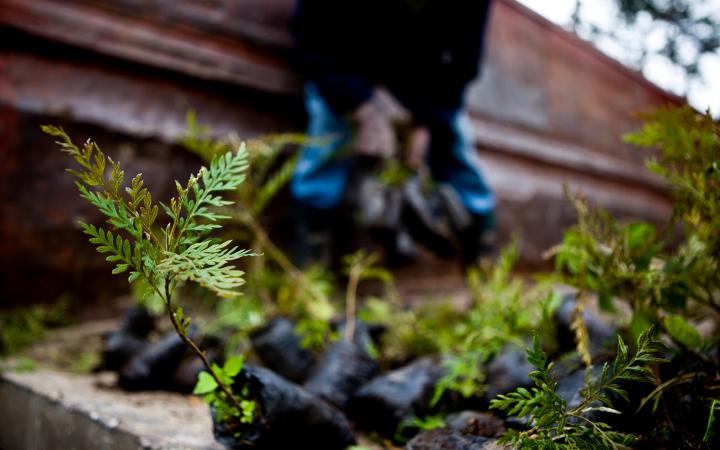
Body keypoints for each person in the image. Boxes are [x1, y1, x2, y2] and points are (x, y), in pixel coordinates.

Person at [290, 0, 496, 267]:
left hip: (421, 81)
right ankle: (309, 270)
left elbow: (464, 66)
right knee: (328, 134)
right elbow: (311, 41)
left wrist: (425, 124)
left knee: (456, 143)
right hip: (349, 68)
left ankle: (484, 259)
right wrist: (361, 106)